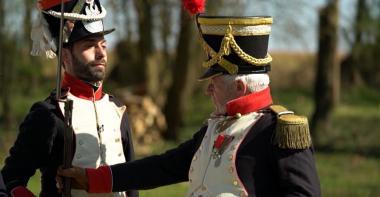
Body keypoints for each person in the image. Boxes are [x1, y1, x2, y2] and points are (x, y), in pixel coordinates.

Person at [58, 15, 321, 197]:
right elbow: (164, 167)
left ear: (239, 88)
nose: (208, 89)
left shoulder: (280, 132)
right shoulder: (215, 128)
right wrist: (94, 179)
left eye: (214, 82)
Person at [1, 0, 137, 197]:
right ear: (65, 55)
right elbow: (10, 180)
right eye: (90, 45)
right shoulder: (48, 114)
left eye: (103, 45)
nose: (101, 54)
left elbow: (131, 181)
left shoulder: (117, 109)